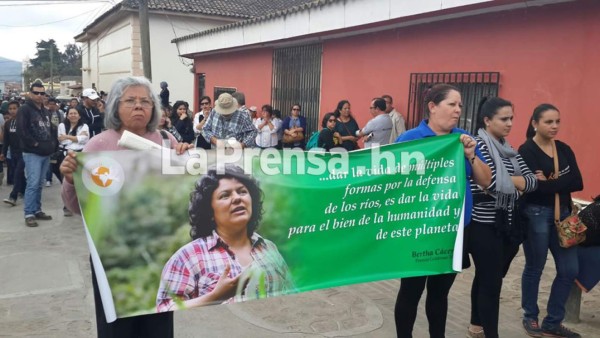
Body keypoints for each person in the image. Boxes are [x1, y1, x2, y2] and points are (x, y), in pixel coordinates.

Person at [60, 76, 193, 338]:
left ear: (154, 108)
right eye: (130, 100)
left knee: (157, 324)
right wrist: (69, 179)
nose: (138, 106)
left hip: (159, 253)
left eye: (145, 101)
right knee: (117, 327)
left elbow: (189, 193)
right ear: (115, 108)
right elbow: (77, 207)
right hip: (112, 255)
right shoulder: (99, 145)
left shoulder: (166, 141)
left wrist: (189, 158)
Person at [394, 84, 492, 338]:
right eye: (452, 104)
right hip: (417, 230)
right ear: (433, 107)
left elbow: (485, 180)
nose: (458, 109)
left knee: (440, 293)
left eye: (460, 105)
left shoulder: (463, 139)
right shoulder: (410, 139)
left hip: (455, 230)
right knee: (410, 291)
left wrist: (471, 155)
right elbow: (392, 185)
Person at [156, 164, 294, 312]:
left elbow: (293, 298)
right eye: (225, 195)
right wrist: (216, 296)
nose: (236, 198)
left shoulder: (269, 249)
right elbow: (164, 311)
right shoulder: (189, 257)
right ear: (209, 211)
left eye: (242, 192)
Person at [467, 97, 537, 338]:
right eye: (503, 119)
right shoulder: (477, 145)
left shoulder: (509, 148)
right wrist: (511, 184)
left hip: (506, 223)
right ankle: (490, 333)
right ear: (487, 120)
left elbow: (531, 181)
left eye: (511, 119)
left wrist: (509, 183)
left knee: (489, 276)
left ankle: (476, 324)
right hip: (483, 223)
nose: (509, 124)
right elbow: (491, 183)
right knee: (491, 283)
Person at [519, 103, 583, 338]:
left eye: (557, 121)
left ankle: (553, 321)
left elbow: (578, 182)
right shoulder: (526, 150)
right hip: (536, 214)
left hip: (565, 215)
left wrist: (546, 182)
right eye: (548, 122)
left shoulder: (563, 148)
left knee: (569, 270)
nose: (554, 126)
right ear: (535, 123)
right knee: (535, 267)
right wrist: (549, 184)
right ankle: (530, 317)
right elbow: (532, 190)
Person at [17, 82, 57, 227]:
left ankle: (37, 210)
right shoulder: (25, 110)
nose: (39, 96)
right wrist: (35, 144)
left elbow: (51, 129)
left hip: (45, 153)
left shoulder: (45, 111)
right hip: (32, 153)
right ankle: (29, 213)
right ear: (30, 93)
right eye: (36, 92)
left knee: (39, 184)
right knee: (33, 184)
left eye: (42, 93)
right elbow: (22, 131)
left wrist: (52, 145)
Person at [2, 101, 26, 205]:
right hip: (13, 152)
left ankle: (13, 196)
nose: (12, 111)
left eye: (14, 108)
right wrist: (3, 152)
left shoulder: (24, 122)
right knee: (19, 174)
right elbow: (6, 140)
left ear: (19, 109)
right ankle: (24, 190)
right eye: (10, 109)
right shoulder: (7, 123)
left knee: (16, 173)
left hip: (24, 152)